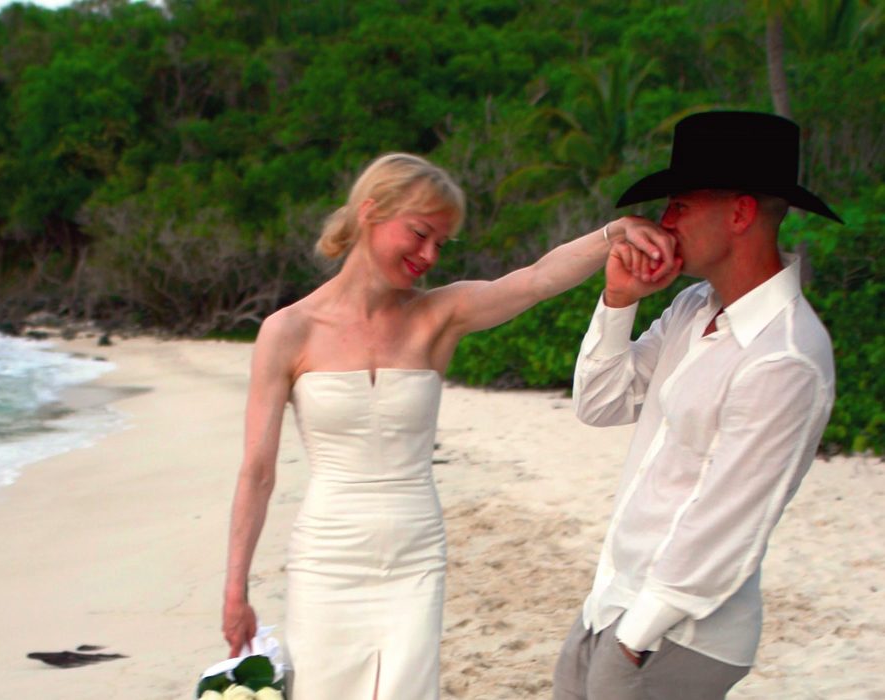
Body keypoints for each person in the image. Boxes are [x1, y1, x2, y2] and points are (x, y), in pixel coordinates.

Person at [221, 152, 677, 700]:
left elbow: (534, 280)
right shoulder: (287, 331)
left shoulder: (438, 316)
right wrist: (236, 588)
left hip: (415, 554)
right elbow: (257, 471)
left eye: (440, 243)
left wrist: (613, 234)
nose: (428, 255)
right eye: (419, 233)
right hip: (326, 556)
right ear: (371, 212)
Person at [552, 111, 842, 700]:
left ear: (739, 214)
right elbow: (601, 403)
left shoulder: (786, 355)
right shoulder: (691, 307)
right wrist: (618, 299)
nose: (663, 222)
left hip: (674, 634)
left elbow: (728, 521)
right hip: (612, 601)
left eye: (680, 204)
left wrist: (635, 640)